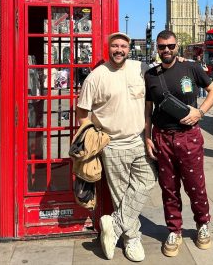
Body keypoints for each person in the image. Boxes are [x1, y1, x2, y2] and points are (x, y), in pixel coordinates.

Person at [76, 32, 157, 262]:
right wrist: (94, 137)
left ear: (129, 48)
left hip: (140, 140)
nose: (119, 50)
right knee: (121, 195)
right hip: (113, 145)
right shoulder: (96, 76)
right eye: (115, 46)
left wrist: (182, 60)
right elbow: (82, 112)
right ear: (108, 48)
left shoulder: (140, 68)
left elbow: (163, 74)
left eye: (123, 46)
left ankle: (114, 223)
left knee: (149, 180)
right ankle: (132, 240)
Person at [144, 30, 213, 256]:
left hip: (189, 136)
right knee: (168, 187)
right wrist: (147, 136)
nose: (166, 50)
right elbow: (148, 110)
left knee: (195, 185)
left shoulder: (192, 68)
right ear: (157, 49)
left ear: (177, 46)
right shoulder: (150, 75)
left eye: (170, 46)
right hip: (162, 136)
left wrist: (200, 112)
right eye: (162, 47)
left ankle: (202, 224)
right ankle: (174, 230)